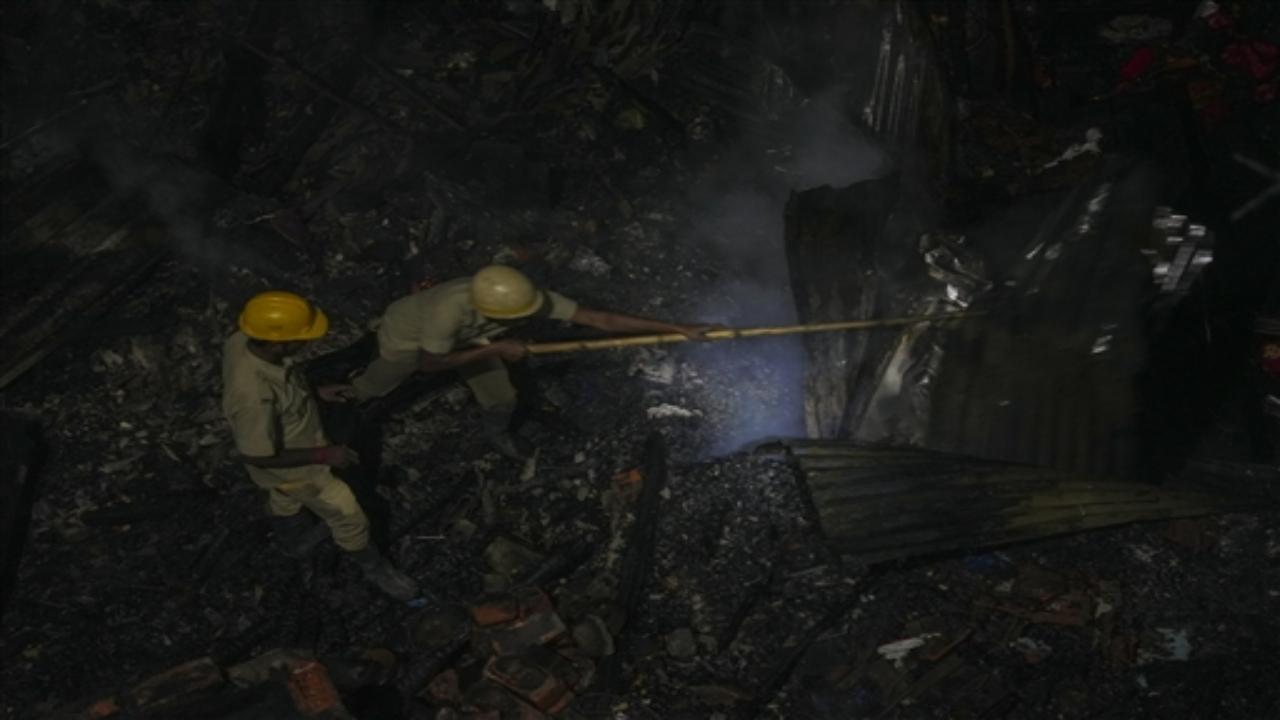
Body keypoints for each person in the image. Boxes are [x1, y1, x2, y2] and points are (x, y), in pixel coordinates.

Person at [320, 265, 712, 459]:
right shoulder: (448, 309)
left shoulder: (522, 295)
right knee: (377, 385)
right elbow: (429, 363)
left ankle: (497, 432)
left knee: (501, 397)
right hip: (409, 340)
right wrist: (495, 350)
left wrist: (677, 327)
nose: (532, 314)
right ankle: (339, 396)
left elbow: (599, 319)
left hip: (471, 340)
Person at [221, 290, 419, 601]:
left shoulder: (242, 341)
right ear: (277, 342)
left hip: (282, 470)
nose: (308, 343)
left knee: (283, 497)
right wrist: (325, 454)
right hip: (301, 470)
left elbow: (285, 389)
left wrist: (314, 392)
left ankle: (295, 540)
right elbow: (256, 454)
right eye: (301, 338)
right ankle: (374, 567)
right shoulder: (253, 397)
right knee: (348, 515)